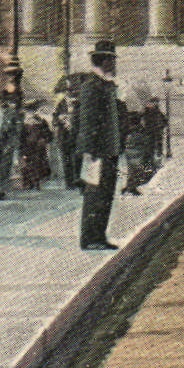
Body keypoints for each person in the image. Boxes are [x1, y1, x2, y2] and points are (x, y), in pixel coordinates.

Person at [72, 40, 124, 250]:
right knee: (95, 196)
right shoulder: (92, 86)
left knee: (105, 196)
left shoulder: (105, 85)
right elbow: (87, 121)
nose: (114, 63)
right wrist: (89, 152)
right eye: (111, 59)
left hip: (108, 150)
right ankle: (90, 238)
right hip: (97, 152)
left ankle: (99, 236)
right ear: (103, 61)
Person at [19, 102, 53, 191]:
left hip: (38, 146)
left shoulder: (41, 121)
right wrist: (21, 149)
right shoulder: (23, 123)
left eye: (32, 111)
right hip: (27, 146)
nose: (30, 114)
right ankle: (29, 183)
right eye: (29, 111)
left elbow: (49, 134)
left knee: (38, 164)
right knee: (28, 164)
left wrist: (44, 140)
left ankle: (36, 182)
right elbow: (21, 137)